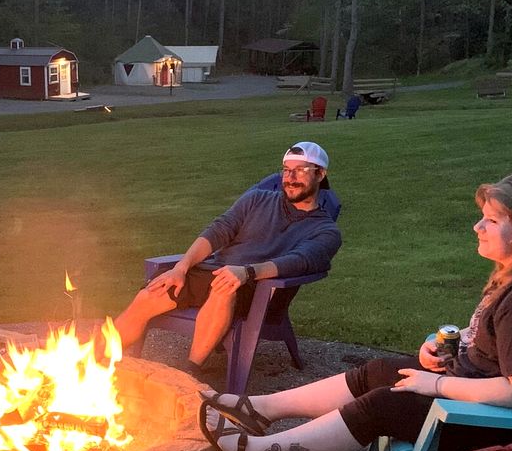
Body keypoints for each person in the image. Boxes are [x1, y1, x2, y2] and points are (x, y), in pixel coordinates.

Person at [199, 172, 512, 451]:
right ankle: (262, 408)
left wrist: (435, 385)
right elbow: (495, 344)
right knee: (385, 372)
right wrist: (445, 349)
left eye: (491, 220)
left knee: (386, 403)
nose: (477, 226)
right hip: (496, 407)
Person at [113, 141, 342, 375]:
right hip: (213, 271)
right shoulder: (257, 199)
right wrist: (180, 268)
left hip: (256, 289)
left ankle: (188, 373)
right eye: (286, 170)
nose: (290, 177)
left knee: (224, 288)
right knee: (154, 291)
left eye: (301, 170)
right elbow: (219, 229)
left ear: (320, 174)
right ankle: (103, 358)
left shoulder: (325, 231)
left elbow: (299, 260)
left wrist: (247, 272)